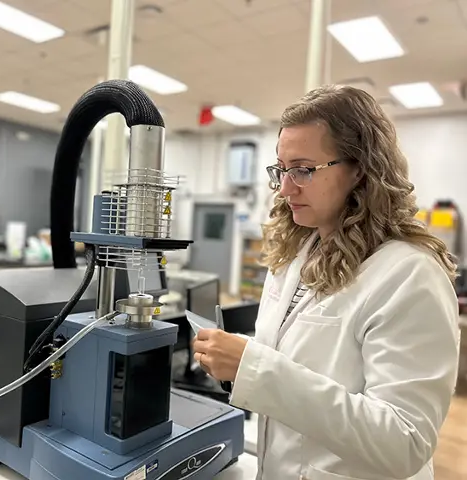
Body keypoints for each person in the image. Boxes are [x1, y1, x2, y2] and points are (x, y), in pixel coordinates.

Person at [192, 85, 460, 480]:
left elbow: (405, 441)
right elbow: (294, 367)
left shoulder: (410, 274)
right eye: (281, 170)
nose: (284, 189)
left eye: (303, 169)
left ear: (360, 169)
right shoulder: (298, 256)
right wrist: (240, 362)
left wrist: (257, 370)